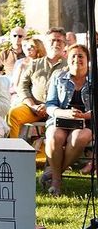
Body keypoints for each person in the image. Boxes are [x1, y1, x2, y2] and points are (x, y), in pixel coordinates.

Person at [42, 44, 93, 196]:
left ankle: (55, 175)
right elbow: (50, 105)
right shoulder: (58, 77)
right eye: (73, 56)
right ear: (67, 59)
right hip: (61, 119)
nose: (77, 59)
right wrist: (63, 113)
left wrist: (86, 115)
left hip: (86, 122)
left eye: (81, 56)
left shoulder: (94, 79)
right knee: (54, 136)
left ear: (88, 60)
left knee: (79, 137)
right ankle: (57, 180)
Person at [7, 28, 67, 138]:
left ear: (65, 45)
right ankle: (12, 150)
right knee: (13, 114)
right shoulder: (35, 64)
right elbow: (22, 86)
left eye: (60, 41)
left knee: (53, 132)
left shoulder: (69, 66)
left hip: (57, 111)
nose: (56, 43)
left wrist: (48, 107)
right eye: (52, 40)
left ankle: (44, 153)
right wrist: (33, 105)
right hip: (33, 108)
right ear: (45, 43)